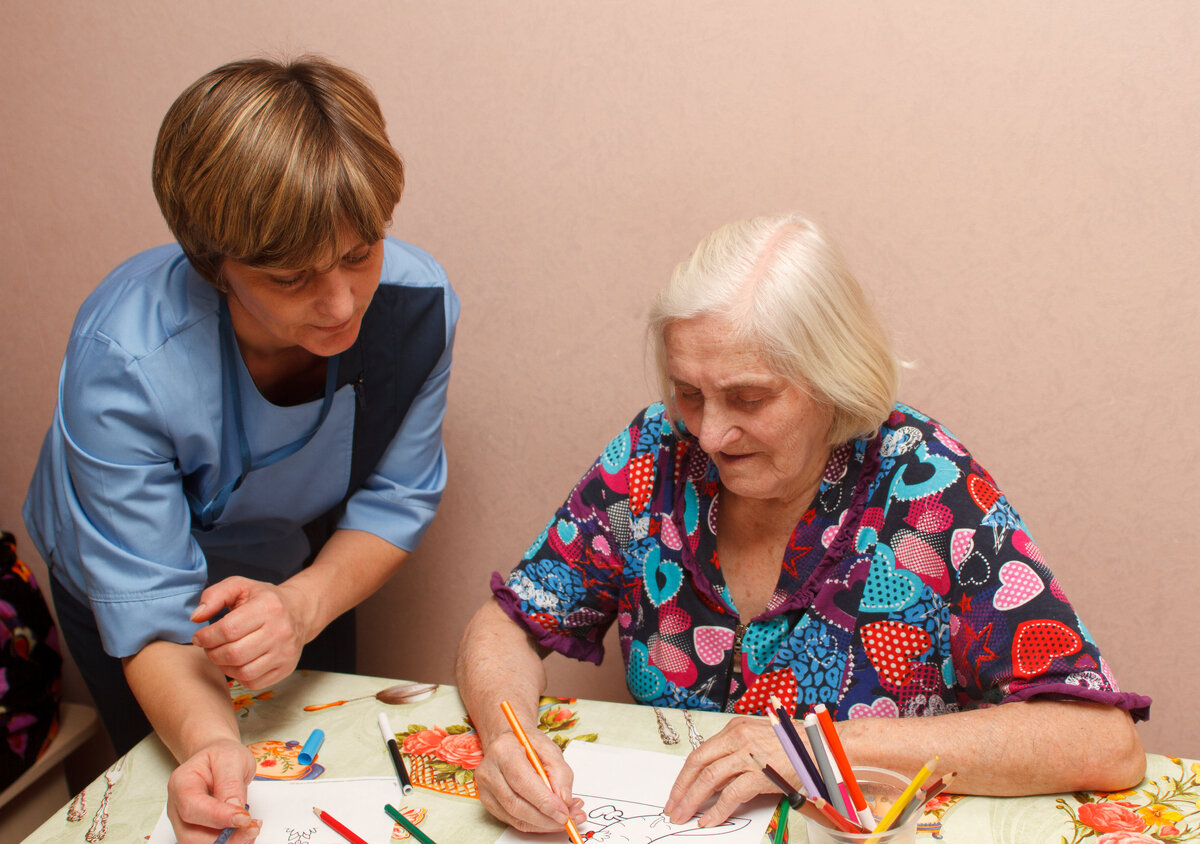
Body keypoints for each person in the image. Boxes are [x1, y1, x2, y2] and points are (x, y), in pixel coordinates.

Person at [456, 213, 1149, 834]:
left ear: (832, 380)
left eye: (748, 398)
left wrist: (814, 749)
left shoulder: (924, 484)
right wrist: (506, 735)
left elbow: (1101, 741)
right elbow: (509, 622)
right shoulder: (653, 454)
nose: (712, 434)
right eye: (689, 394)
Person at [23, 57, 458, 844]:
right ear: (211, 265)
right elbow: (150, 608)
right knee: (206, 792)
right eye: (292, 278)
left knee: (327, 777)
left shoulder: (417, 307)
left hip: (295, 560)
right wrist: (213, 747)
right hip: (133, 590)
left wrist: (301, 604)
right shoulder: (125, 359)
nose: (341, 303)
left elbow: (395, 501)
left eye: (361, 254)